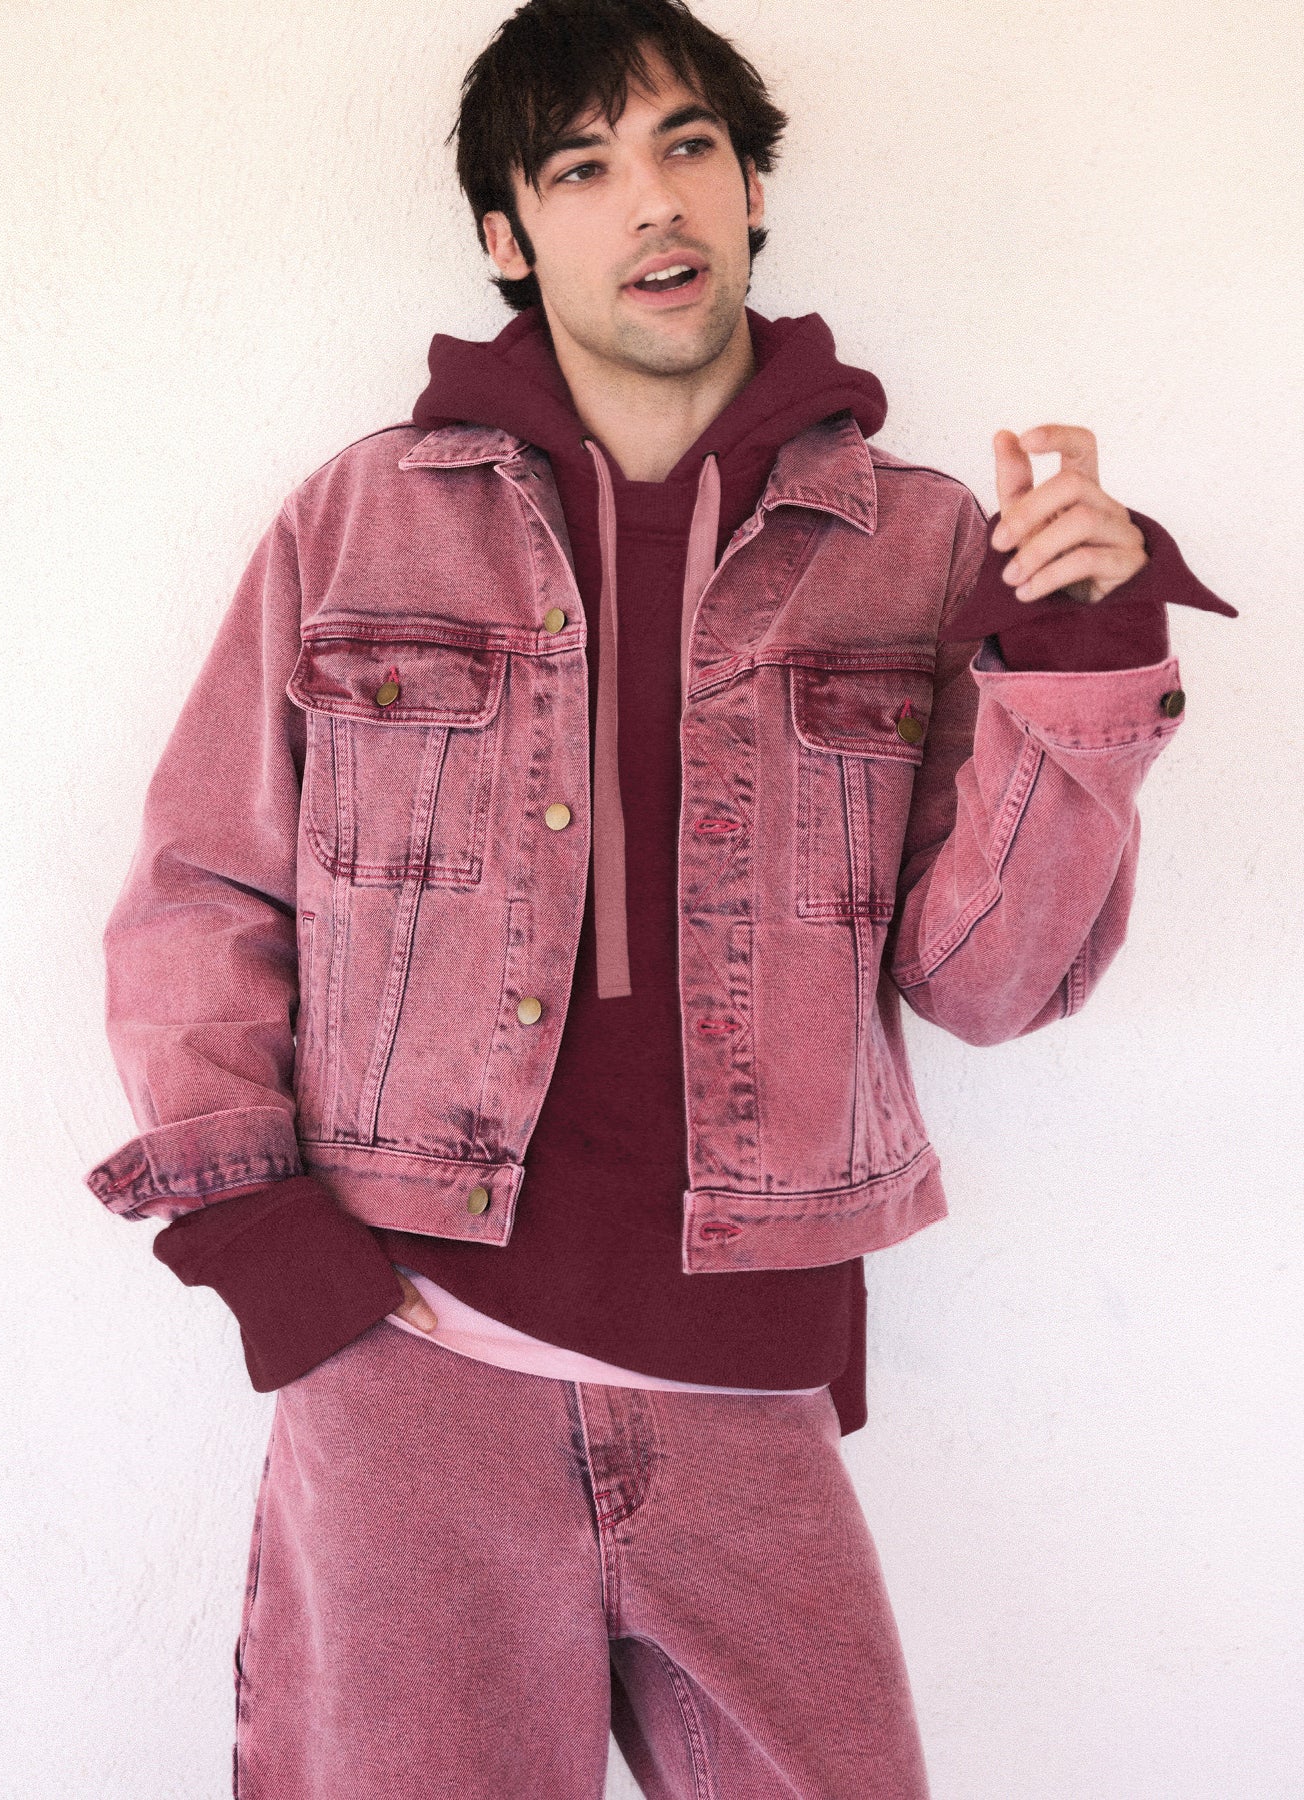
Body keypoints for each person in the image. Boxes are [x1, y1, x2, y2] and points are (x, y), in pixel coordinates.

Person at [84, 1, 1235, 1793]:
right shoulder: (359, 522)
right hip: (409, 1362)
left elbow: (988, 983)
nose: (652, 201)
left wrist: (1080, 662)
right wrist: (270, 1250)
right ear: (507, 234)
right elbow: (199, 894)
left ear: (753, 189)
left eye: (690, 145)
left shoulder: (923, 543)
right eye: (582, 167)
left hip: (745, 1378)